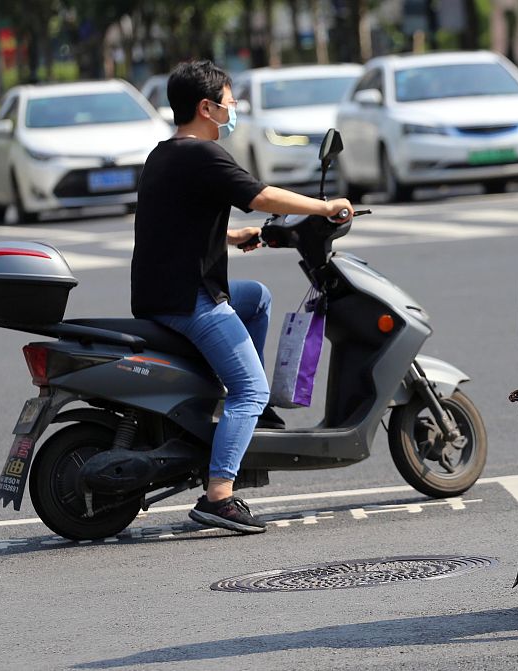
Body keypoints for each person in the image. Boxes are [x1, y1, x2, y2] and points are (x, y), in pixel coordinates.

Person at [131, 60, 354, 533]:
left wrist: (233, 239)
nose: (233, 112)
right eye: (230, 104)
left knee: (255, 298)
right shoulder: (203, 155)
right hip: (188, 299)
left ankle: (224, 406)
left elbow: (174, 224)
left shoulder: (164, 154)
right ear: (207, 108)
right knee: (251, 390)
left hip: (161, 292)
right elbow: (261, 195)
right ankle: (219, 494)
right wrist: (325, 205)